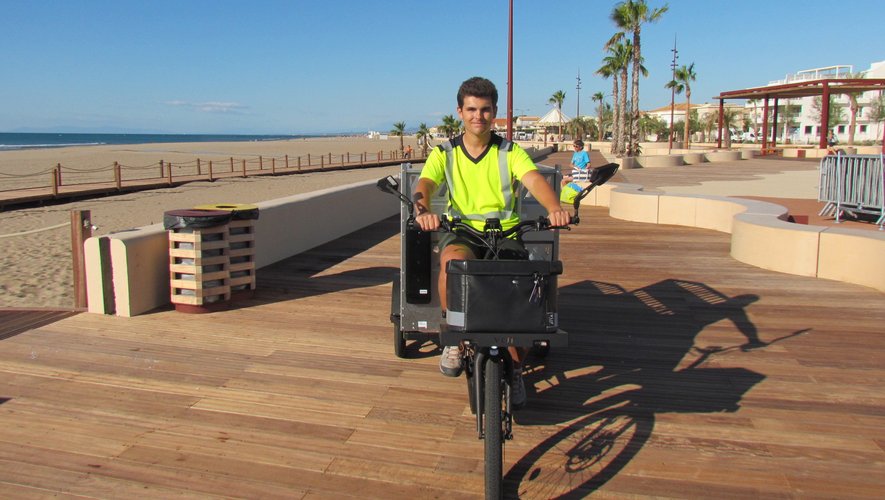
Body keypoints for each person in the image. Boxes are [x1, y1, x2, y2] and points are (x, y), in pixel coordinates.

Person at [413, 77, 570, 408]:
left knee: (525, 298)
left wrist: (554, 208)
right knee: (452, 262)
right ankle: (454, 336)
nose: (478, 117)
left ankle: (514, 369)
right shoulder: (445, 153)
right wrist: (422, 209)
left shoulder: (509, 152)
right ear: (460, 111)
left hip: (506, 233)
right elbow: (425, 183)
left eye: (485, 110)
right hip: (463, 231)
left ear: (495, 112)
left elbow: (534, 180)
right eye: (471, 109)